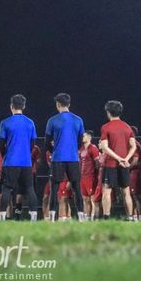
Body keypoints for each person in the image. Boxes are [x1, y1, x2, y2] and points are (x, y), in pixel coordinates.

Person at [45, 93, 85, 222]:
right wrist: (73, 150)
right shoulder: (78, 119)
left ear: (57, 104)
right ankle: (81, 217)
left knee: (54, 188)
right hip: (73, 158)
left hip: (58, 158)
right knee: (76, 188)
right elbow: (80, 140)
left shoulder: (52, 120)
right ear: (69, 104)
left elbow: (47, 142)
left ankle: (52, 218)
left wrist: (54, 150)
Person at [99, 100, 137, 221]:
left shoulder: (105, 127)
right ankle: (130, 217)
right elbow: (133, 146)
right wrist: (125, 158)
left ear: (108, 112)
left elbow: (104, 147)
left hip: (110, 164)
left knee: (106, 191)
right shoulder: (127, 127)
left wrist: (119, 158)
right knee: (126, 192)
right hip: (124, 164)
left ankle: (106, 217)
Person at [79, 130, 99, 220]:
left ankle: (93, 218)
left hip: (91, 177)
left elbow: (97, 163)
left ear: (89, 137)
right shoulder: (81, 148)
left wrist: (96, 175)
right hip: (83, 177)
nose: (82, 137)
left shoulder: (93, 148)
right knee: (85, 199)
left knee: (92, 199)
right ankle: (86, 218)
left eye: (84, 136)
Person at [128, 126, 141, 220]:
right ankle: (135, 216)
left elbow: (135, 160)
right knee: (132, 195)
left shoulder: (135, 144)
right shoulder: (132, 144)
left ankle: (140, 216)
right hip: (133, 172)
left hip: (135, 173)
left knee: (136, 195)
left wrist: (127, 167)